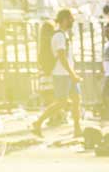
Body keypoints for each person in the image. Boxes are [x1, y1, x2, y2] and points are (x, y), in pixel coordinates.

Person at [33, 9, 82, 137]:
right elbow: (61, 56)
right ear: (65, 19)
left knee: (76, 100)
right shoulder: (59, 36)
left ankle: (78, 129)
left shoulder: (63, 35)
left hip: (68, 74)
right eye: (71, 18)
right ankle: (38, 123)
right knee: (62, 102)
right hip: (62, 74)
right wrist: (72, 74)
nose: (73, 21)